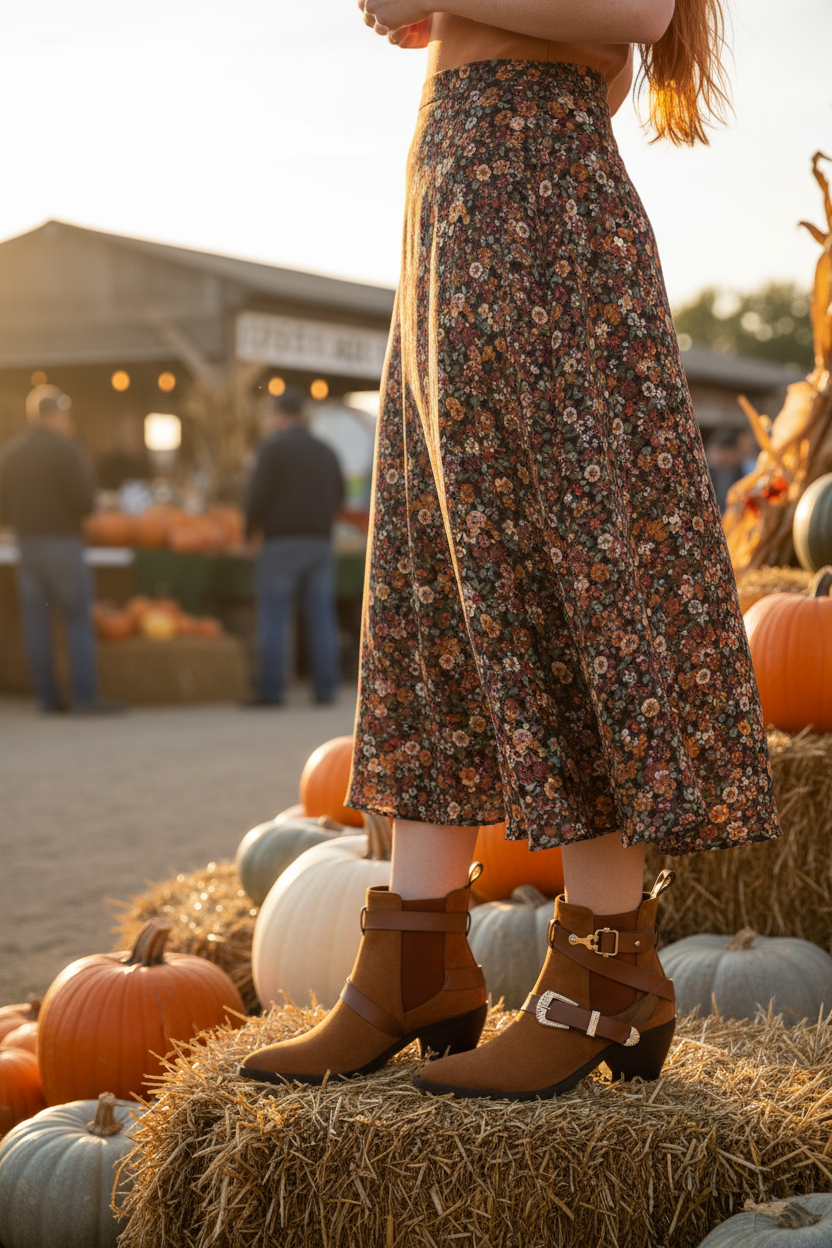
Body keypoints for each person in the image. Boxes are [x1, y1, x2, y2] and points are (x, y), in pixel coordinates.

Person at [240, 0, 781, 1099]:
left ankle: (606, 964)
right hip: (457, 198)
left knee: (564, 567)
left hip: (533, 204)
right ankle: (412, 959)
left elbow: (638, 12)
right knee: (430, 581)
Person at [0, 386, 120, 714]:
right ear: (57, 416)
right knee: (77, 618)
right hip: (63, 545)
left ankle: (47, 697)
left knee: (36, 622)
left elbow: (3, 507)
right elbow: (85, 501)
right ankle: (85, 695)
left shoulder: (11, 452)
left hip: (27, 546)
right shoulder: (67, 451)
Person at [244, 385, 345, 706]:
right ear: (304, 415)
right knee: (321, 617)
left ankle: (272, 691)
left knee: (275, 617)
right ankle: (326, 689)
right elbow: (340, 496)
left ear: (279, 416)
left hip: (281, 543)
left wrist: (248, 534)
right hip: (319, 542)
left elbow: (256, 497)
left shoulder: (272, 449)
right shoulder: (326, 450)